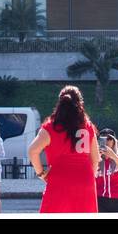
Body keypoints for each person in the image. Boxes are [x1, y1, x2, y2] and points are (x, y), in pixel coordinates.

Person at [29, 85, 99, 213]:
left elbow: (32, 151)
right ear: (79, 103)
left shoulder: (50, 127)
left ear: (60, 103)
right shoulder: (88, 127)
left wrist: (41, 174)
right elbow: (95, 160)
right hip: (85, 181)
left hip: (59, 180)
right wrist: (88, 176)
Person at [96, 128, 118, 212]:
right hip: (100, 200)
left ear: (114, 141)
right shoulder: (95, 159)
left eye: (109, 139)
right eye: (102, 139)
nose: (106, 142)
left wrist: (113, 156)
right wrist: (97, 156)